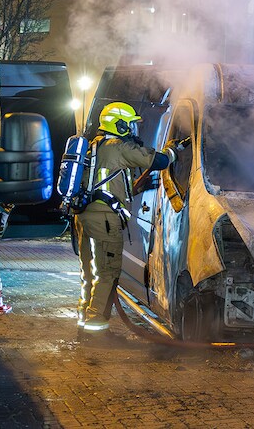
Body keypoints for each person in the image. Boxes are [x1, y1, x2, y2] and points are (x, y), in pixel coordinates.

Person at [76, 101, 180, 338]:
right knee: (107, 273)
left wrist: (136, 187)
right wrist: (173, 149)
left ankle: (85, 322)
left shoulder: (94, 146)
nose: (133, 129)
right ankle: (96, 330)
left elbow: (106, 185)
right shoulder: (119, 147)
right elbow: (160, 161)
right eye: (130, 124)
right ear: (120, 125)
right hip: (105, 221)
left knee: (90, 273)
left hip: (84, 217)